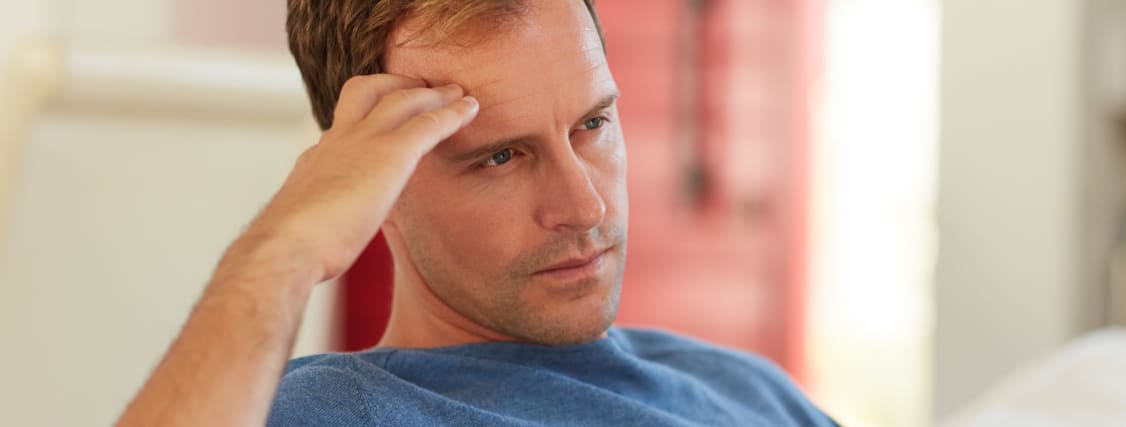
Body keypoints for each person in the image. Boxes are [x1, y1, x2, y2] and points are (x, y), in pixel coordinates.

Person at [116, 0, 837, 425]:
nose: (582, 204)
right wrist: (285, 244)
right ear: (376, 177)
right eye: (500, 156)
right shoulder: (341, 410)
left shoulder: (746, 388)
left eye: (592, 124)